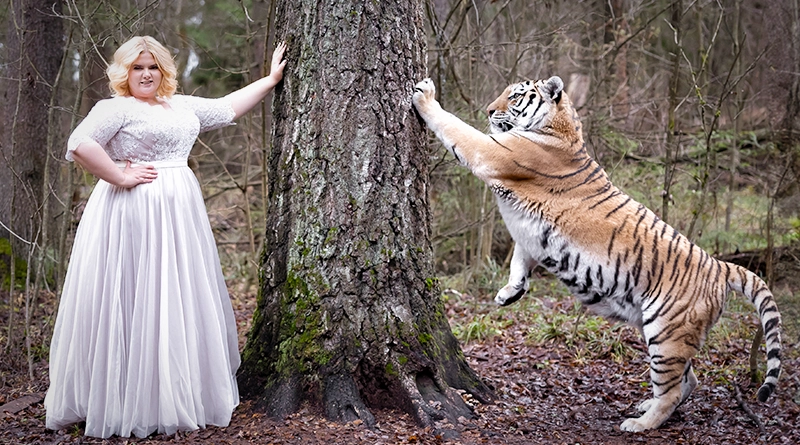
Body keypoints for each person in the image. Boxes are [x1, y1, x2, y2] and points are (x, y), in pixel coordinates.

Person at [44, 35, 287, 439]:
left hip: (178, 216)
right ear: (124, 71)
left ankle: (169, 394)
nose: (145, 74)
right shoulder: (115, 108)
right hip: (132, 214)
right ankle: (125, 398)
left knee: (172, 297)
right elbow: (79, 144)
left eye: (152, 67)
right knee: (135, 296)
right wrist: (120, 175)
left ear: (164, 71)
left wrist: (270, 79)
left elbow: (228, 108)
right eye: (137, 67)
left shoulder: (181, 105)